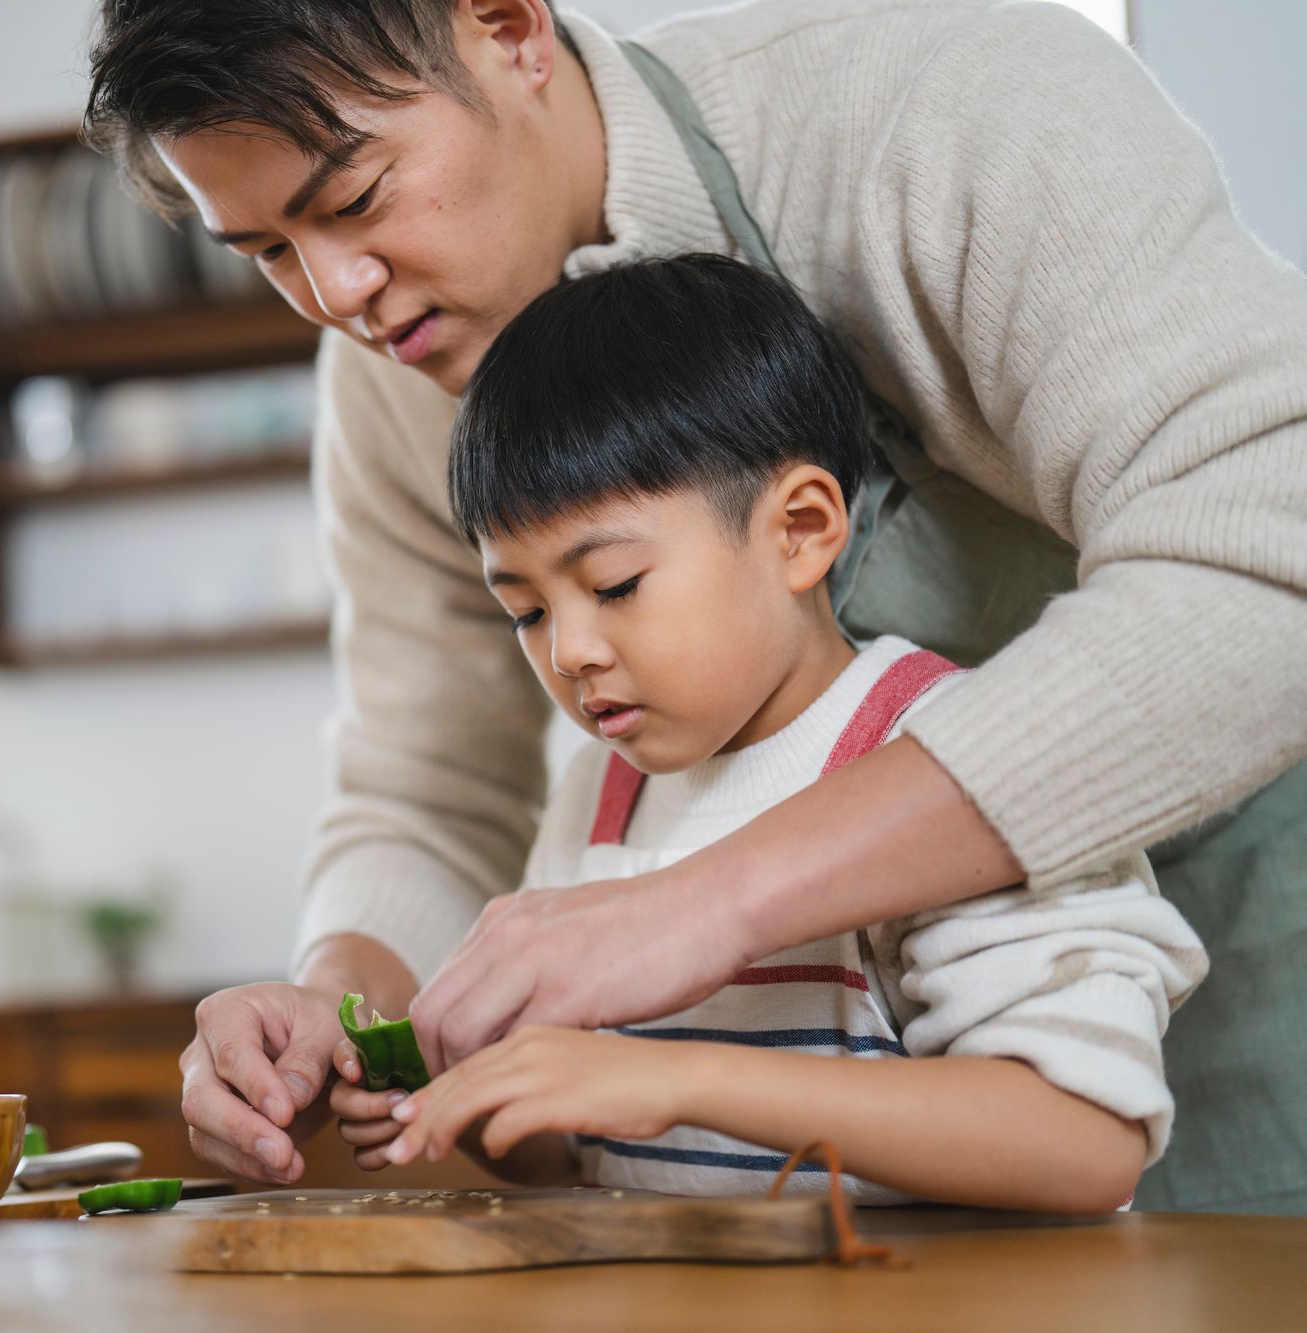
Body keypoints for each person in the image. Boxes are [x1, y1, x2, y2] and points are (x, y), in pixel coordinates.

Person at [83, 0, 1307, 1211]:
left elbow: (1264, 548)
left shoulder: (945, 115)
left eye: (352, 200)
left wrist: (712, 902)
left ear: (505, 30)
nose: (340, 292)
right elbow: (428, 784)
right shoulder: (395, 383)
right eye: (267, 253)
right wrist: (335, 1005)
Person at [333, 253, 1208, 1210]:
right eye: (528, 611)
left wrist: (684, 1081)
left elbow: (1082, 1137)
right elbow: (583, 1148)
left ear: (799, 528)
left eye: (615, 585)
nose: (571, 649)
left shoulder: (949, 760)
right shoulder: (600, 796)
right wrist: (459, 1094)